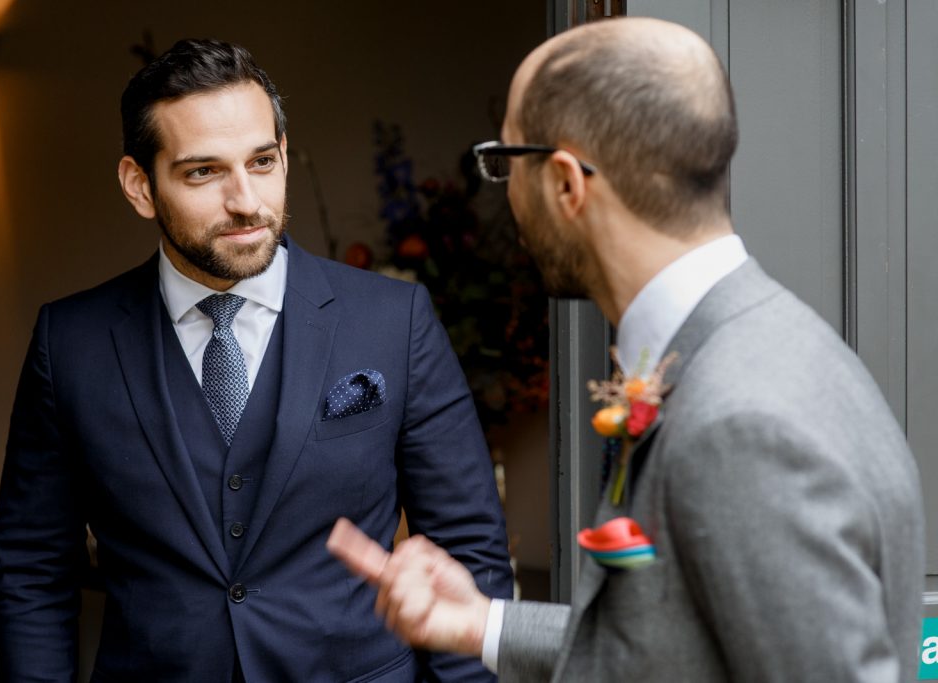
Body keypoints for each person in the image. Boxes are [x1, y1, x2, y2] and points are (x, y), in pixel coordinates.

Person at [328, 17, 924, 682]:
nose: (509, 197)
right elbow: (679, 648)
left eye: (506, 162)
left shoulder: (743, 423)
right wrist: (480, 622)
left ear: (565, 184)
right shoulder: (759, 348)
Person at [0, 38, 512, 682]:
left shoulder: (393, 321)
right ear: (139, 186)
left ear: (284, 156)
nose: (246, 201)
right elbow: (33, 569)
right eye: (203, 172)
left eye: (261, 162)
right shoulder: (70, 341)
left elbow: (470, 552)